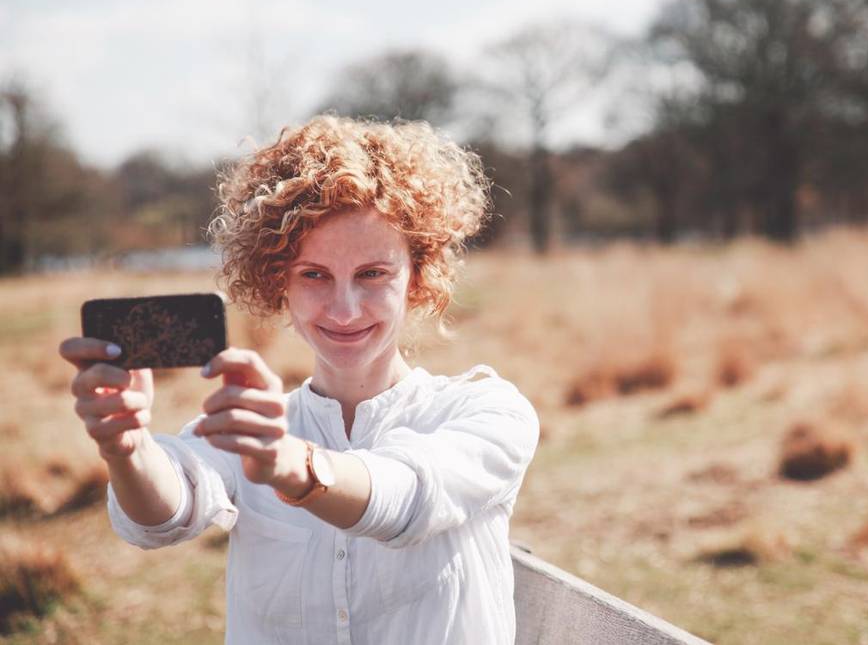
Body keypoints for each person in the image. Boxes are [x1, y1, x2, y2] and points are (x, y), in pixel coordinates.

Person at [59, 116, 540, 644]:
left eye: (372, 274)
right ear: (277, 284)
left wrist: (290, 464)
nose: (344, 307)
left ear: (419, 277)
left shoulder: (488, 413)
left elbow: (409, 498)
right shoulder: (258, 426)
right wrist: (127, 447)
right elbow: (164, 515)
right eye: (314, 275)